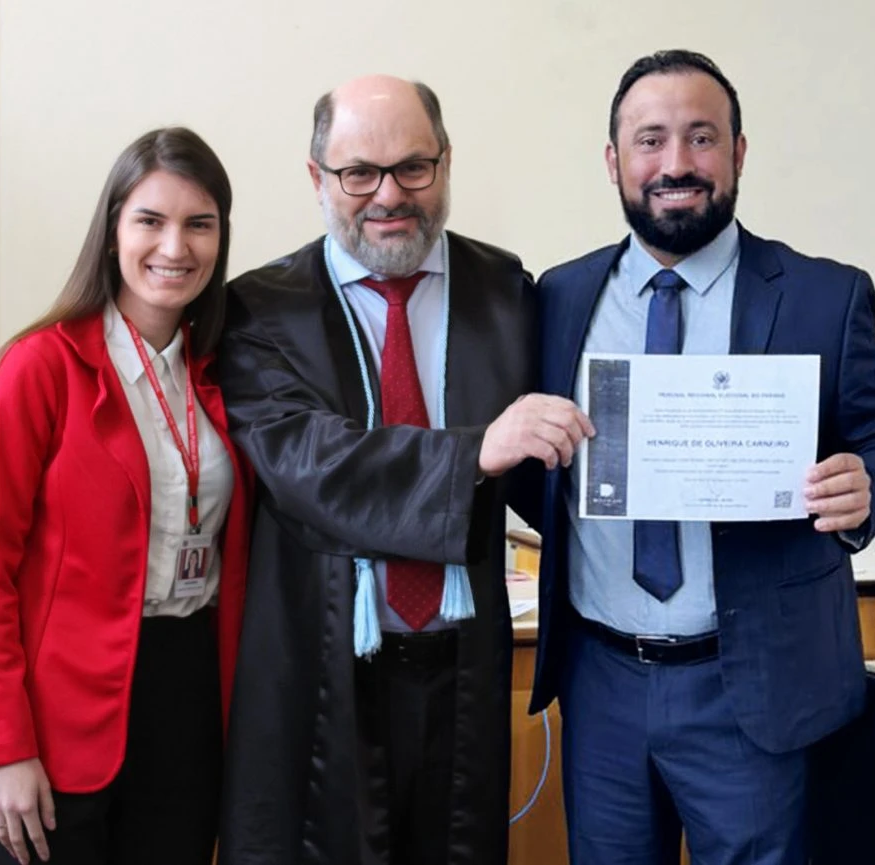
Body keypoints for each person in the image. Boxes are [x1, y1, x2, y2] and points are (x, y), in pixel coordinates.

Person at [528, 51, 875, 865]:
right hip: (600, 683)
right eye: (650, 140)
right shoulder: (556, 296)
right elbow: (534, 464)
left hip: (751, 686)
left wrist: (868, 486)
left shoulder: (822, 295)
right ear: (613, 160)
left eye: (701, 137)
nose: (675, 163)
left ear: (738, 153)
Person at [216, 74, 590, 865]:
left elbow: (553, 462)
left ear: (445, 163)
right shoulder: (261, 309)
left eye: (413, 167)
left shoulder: (503, 291)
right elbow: (309, 465)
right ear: (317, 177)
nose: (388, 195)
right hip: (322, 666)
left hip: (463, 664)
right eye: (359, 172)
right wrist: (473, 451)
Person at [0, 126, 253, 865]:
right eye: (150, 220)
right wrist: (2, 745)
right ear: (112, 231)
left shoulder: (226, 372)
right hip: (53, 716)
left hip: (188, 698)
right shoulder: (37, 368)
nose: (175, 246)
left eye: (199, 224)